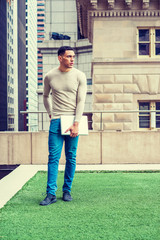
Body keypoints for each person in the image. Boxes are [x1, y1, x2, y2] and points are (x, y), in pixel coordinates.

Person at [40, 46, 87, 206]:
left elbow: (81, 101)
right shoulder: (50, 76)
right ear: (60, 58)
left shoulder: (79, 75)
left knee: (71, 157)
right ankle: (50, 194)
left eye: (73, 56)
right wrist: (50, 113)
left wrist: (76, 123)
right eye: (69, 56)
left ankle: (67, 190)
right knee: (53, 158)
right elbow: (45, 96)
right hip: (56, 121)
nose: (72, 59)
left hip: (72, 121)